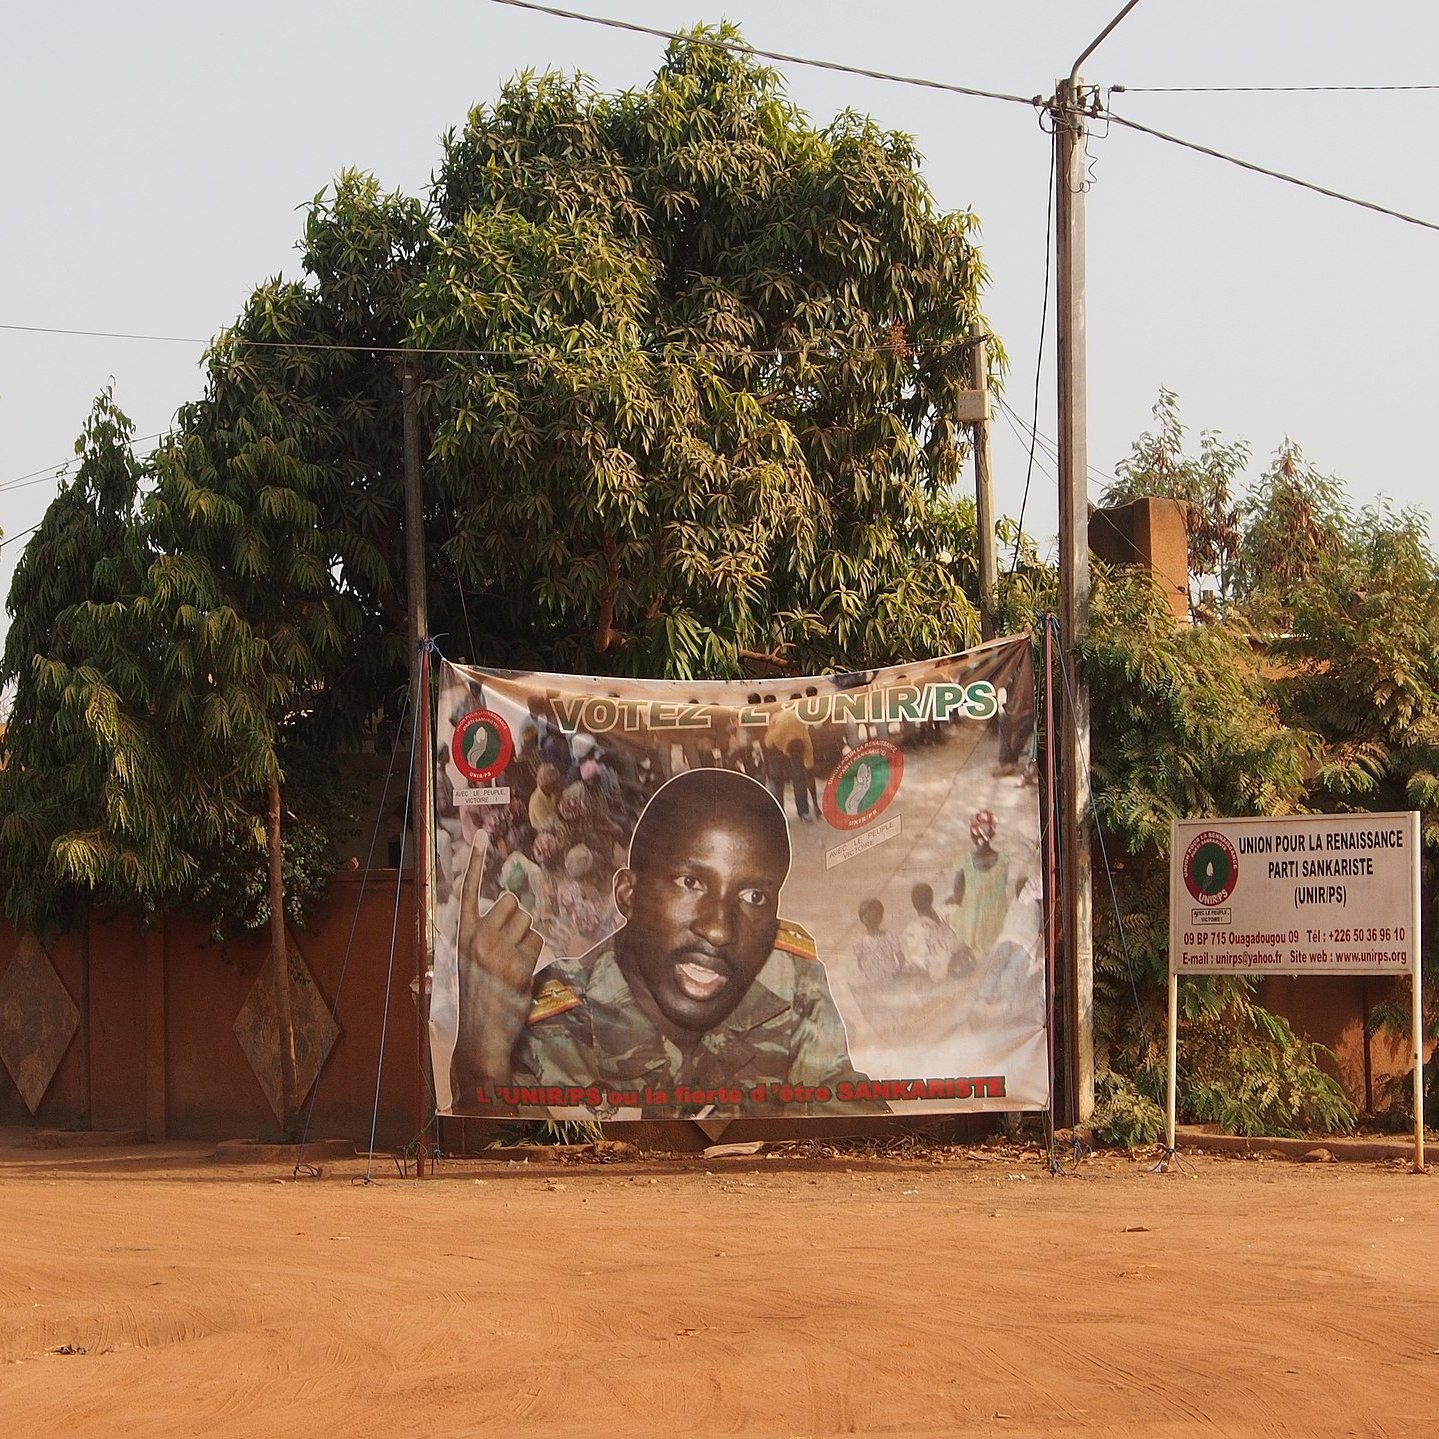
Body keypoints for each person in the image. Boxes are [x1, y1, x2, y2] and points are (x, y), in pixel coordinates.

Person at [449, 768, 873, 1116]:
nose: (720, 929)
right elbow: (505, 1190)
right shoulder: (553, 1025)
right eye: (691, 882)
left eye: (753, 897)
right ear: (627, 896)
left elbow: (855, 1134)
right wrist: (480, 1063)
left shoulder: (790, 980)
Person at [946, 809, 1010, 976]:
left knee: (948, 910)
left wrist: (954, 898)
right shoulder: (1003, 861)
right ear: (993, 833)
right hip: (996, 921)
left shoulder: (964, 863)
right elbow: (1000, 888)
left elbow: (958, 896)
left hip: (972, 925)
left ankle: (969, 953)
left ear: (972, 835)